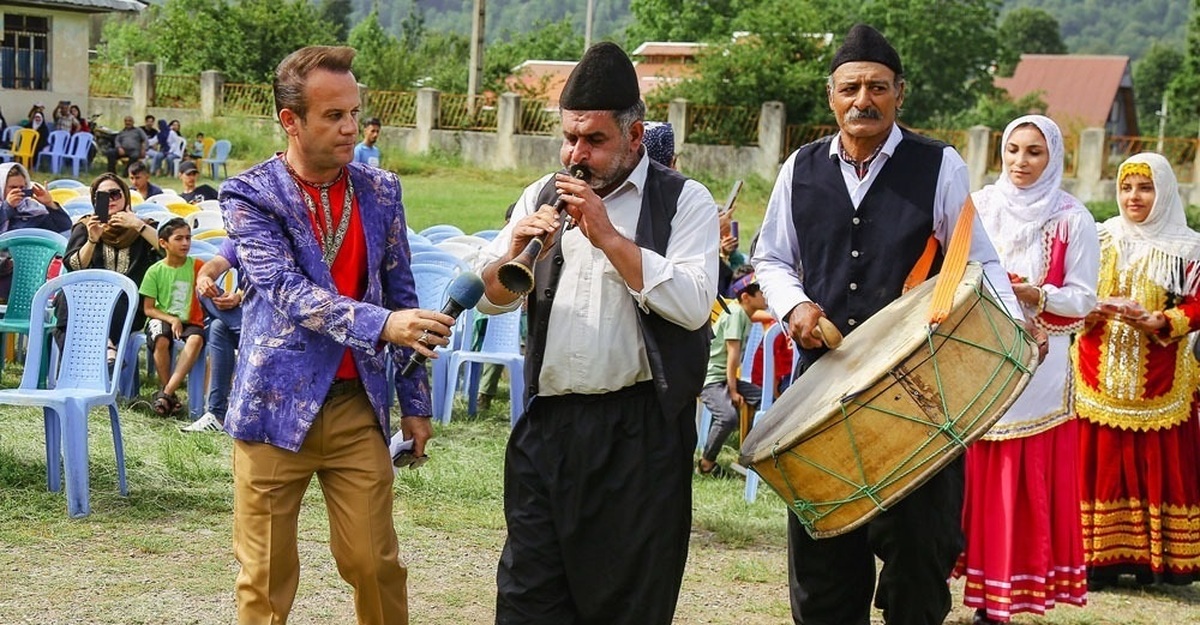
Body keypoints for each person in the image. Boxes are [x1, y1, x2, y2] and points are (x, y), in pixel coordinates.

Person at [750, 24, 1028, 625]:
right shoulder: (799, 169)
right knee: (824, 567)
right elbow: (770, 256)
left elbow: (976, 260)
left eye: (878, 86)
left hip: (921, 392)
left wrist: (1010, 336)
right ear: (831, 95)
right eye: (850, 87)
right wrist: (796, 306)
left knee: (921, 560)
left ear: (900, 92)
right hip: (821, 394)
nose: (863, 100)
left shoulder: (938, 164)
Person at [475, 41, 719, 624]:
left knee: (627, 604)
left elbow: (691, 305)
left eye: (594, 140)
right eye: (569, 138)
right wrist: (513, 252)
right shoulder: (540, 195)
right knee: (527, 601)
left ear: (636, 138)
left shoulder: (686, 201)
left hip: (640, 433)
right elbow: (492, 302)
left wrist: (608, 236)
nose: (576, 153)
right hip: (549, 425)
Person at [219, 45, 455, 625]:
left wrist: (416, 403)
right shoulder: (249, 195)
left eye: (354, 112)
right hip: (273, 412)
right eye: (333, 116)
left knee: (375, 565)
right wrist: (382, 326)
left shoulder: (380, 190)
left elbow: (404, 296)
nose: (351, 127)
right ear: (290, 120)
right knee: (266, 579)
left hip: (357, 409)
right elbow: (287, 292)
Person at [957, 115, 1098, 624]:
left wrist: (1036, 294)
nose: (1020, 161)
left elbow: (1084, 299)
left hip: (1037, 371)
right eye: (1013, 150)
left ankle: (998, 603)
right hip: (975, 357)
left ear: (1054, 157)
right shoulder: (979, 205)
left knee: (1014, 481)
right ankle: (948, 580)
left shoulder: (1071, 218)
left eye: (1034, 152)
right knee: (965, 474)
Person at [1073, 151, 1200, 590]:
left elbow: (1197, 304)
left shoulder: (1186, 248)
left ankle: (1154, 563)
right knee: (1099, 460)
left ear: (1163, 192)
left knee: (1155, 462)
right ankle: (1095, 561)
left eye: (1144, 188)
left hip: (1159, 375)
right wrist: (1087, 312)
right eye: (1126, 187)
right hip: (1098, 369)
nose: (1134, 196)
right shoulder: (1100, 237)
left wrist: (1163, 321)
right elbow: (1077, 288)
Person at [59, 173, 162, 365]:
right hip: (88, 299)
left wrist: (138, 226)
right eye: (102, 196)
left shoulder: (144, 227)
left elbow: (168, 252)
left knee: (110, 302)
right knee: (67, 298)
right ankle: (104, 350)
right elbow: (74, 266)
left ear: (126, 196)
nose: (111, 200)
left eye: (115, 194)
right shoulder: (85, 226)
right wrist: (92, 239)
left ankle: (100, 353)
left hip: (127, 300)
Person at [698, 265, 766, 476]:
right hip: (711, 379)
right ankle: (706, 464)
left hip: (725, 379)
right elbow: (732, 355)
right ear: (747, 297)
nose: (765, 295)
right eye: (761, 291)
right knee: (728, 417)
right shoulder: (736, 314)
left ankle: (751, 458)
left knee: (765, 400)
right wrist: (734, 390)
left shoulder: (744, 314)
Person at [139, 217, 206, 417]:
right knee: (161, 339)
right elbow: (149, 309)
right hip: (162, 318)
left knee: (196, 339)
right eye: (178, 239)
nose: (185, 243)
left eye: (188, 238)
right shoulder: (155, 271)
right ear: (163, 243)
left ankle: (166, 393)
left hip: (191, 320)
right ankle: (172, 395)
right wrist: (172, 319)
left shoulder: (198, 266)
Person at [188, 237, 242, 433]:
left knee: (220, 326)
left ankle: (216, 413)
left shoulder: (278, 234)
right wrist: (204, 279)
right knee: (218, 323)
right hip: (246, 318)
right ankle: (216, 414)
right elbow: (214, 265)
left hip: (275, 320)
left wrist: (240, 295)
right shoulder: (239, 236)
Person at [0, 162, 72, 234]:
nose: (19, 191)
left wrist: (50, 204)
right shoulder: (3, 209)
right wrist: (7, 207)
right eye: (13, 187)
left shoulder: (33, 209)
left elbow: (65, 227)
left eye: (22, 187)